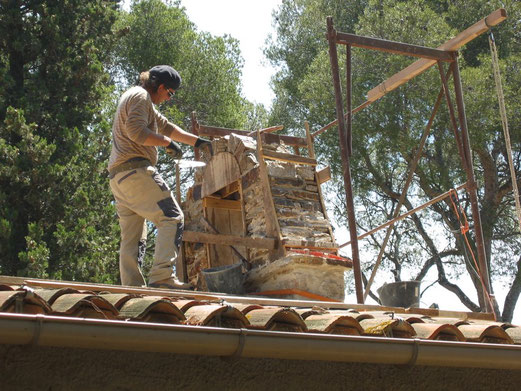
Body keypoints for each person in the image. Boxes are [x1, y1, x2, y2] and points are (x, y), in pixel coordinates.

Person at [108, 65, 211, 289]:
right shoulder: (140, 96)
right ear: (161, 86)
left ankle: (132, 289)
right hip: (135, 171)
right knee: (172, 217)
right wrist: (166, 144)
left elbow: (167, 127)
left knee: (132, 238)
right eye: (170, 93)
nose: (169, 98)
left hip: (119, 179)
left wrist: (198, 142)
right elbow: (136, 132)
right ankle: (163, 277)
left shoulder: (136, 97)